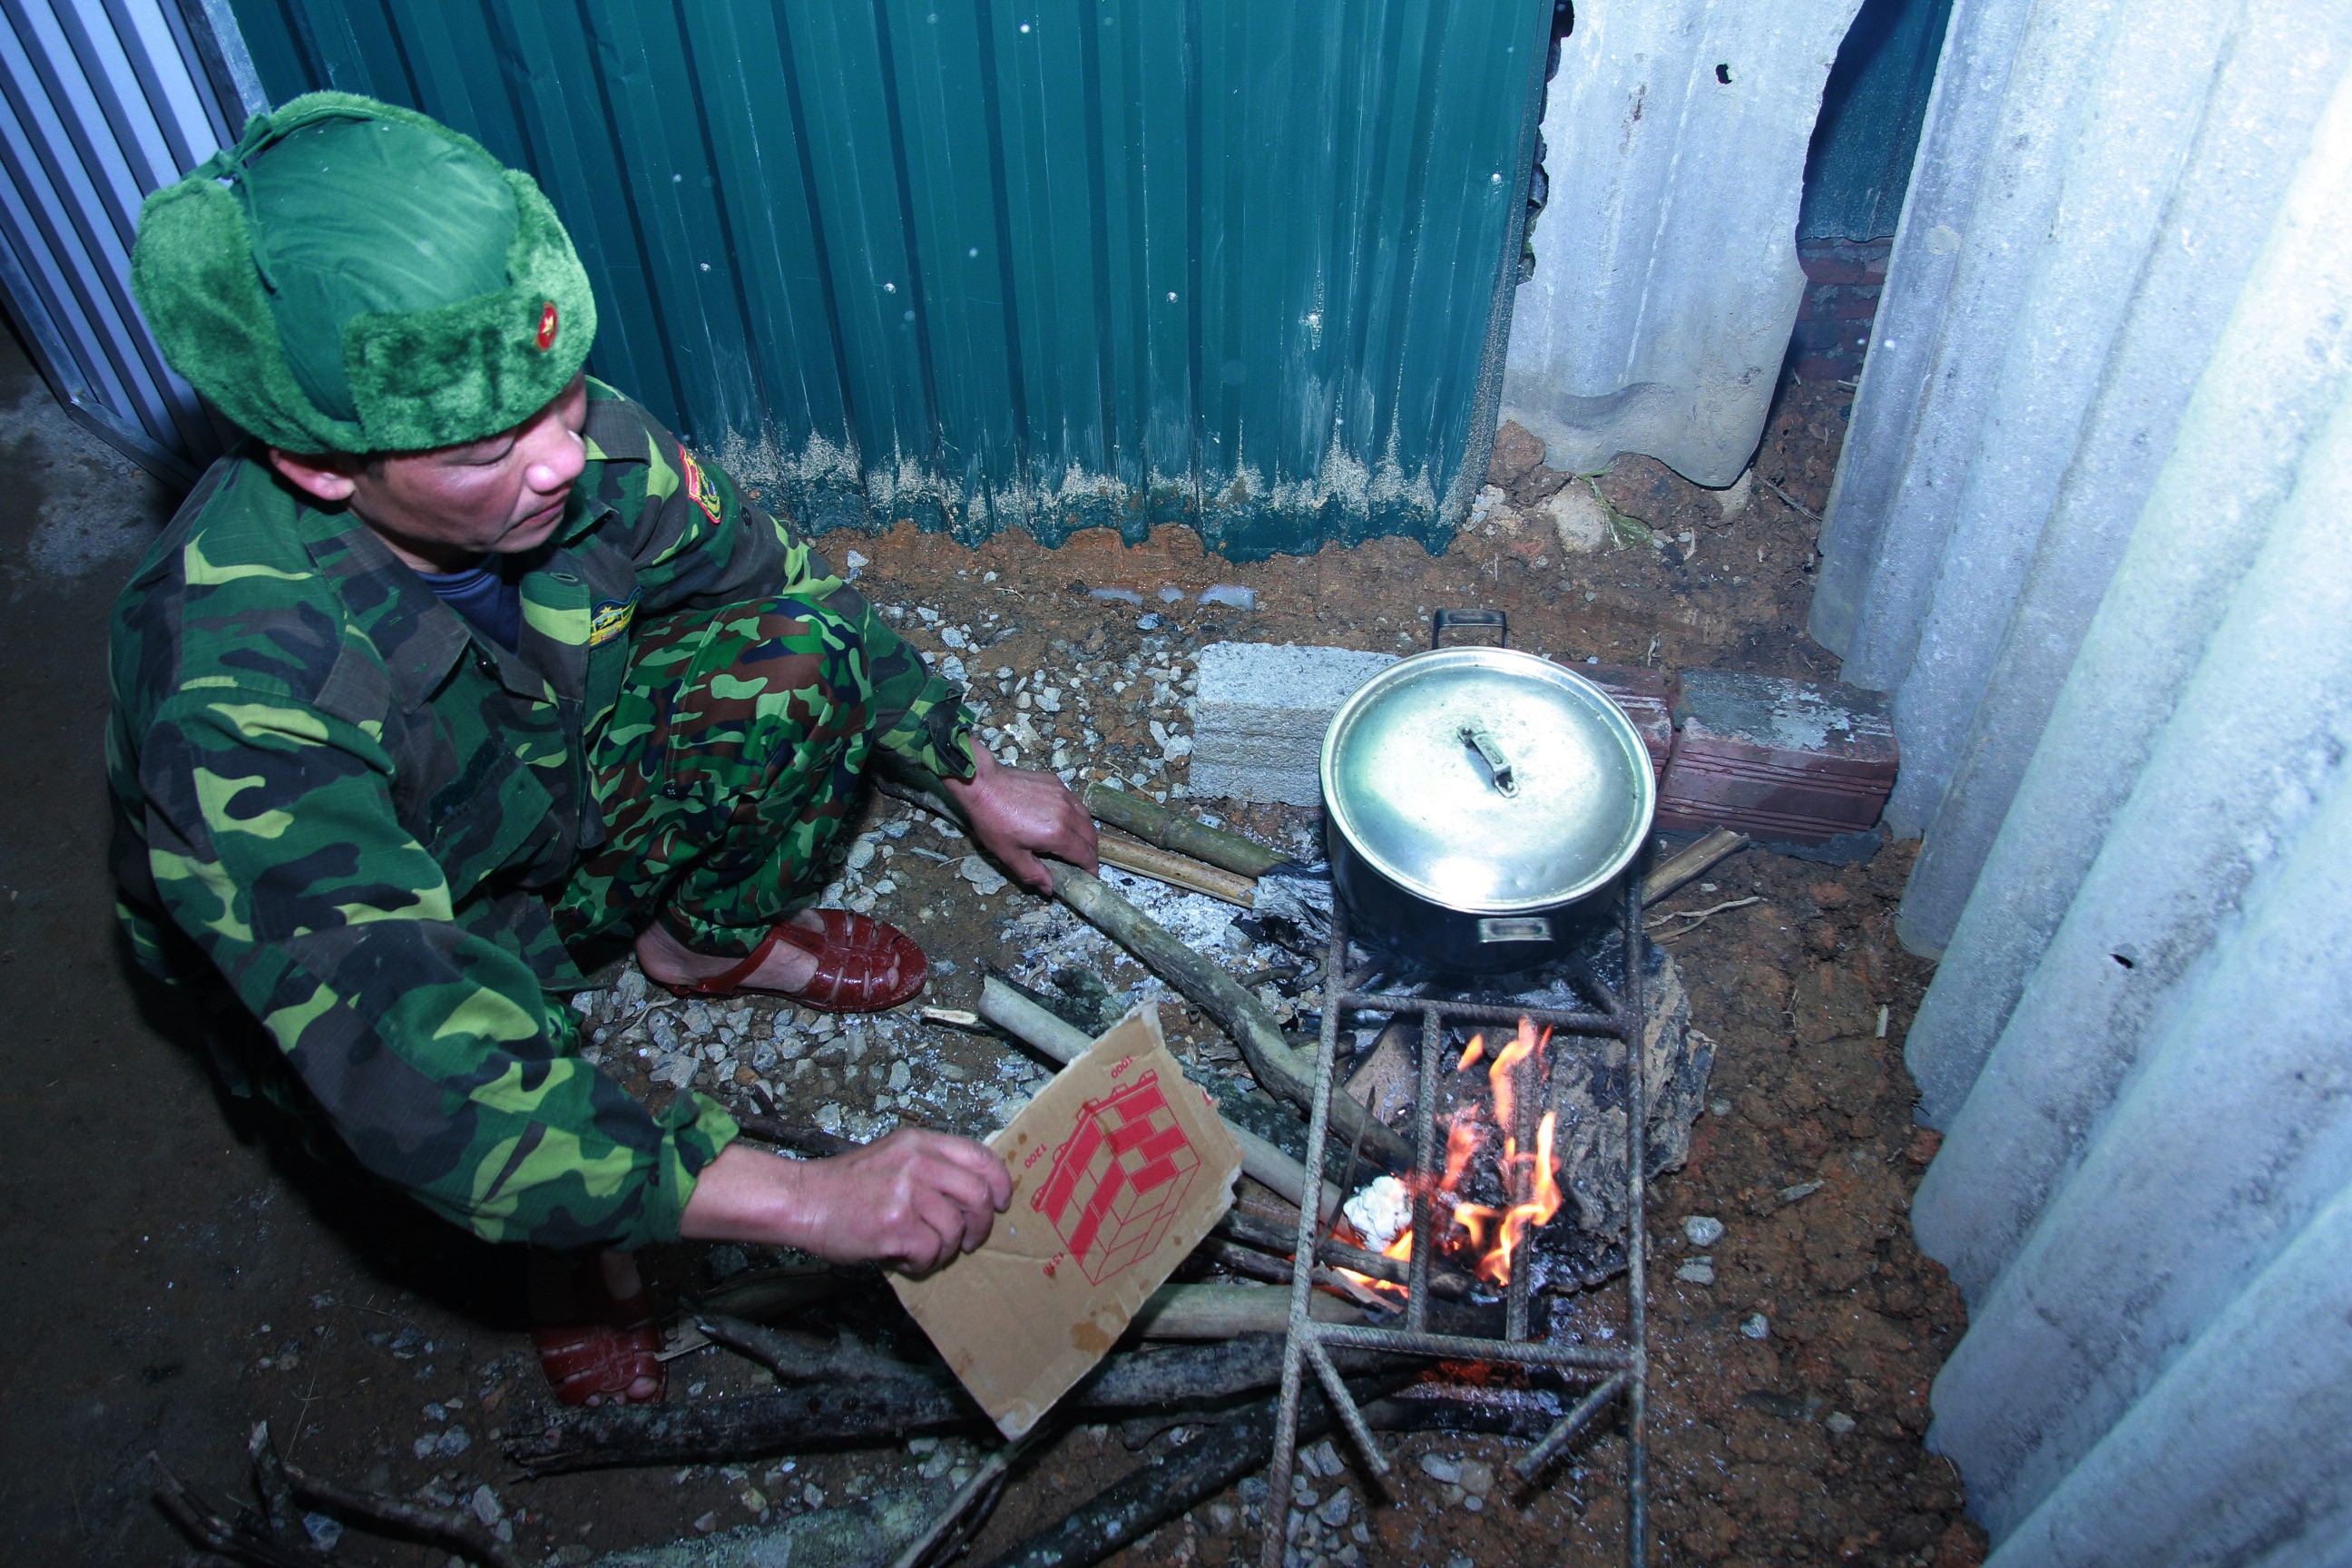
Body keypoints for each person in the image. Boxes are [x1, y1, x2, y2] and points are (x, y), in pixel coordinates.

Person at [109, 93, 1098, 1405]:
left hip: (537, 796)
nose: (568, 458)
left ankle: (702, 947)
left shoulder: (557, 441)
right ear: (320, 466)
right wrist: (805, 1199)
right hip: (400, 938)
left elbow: (777, 579)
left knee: (803, 652)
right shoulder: (236, 689)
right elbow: (417, 1060)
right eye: (489, 447)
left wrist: (967, 767)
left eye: (565, 396)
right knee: (500, 1072)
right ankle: (582, 1249)